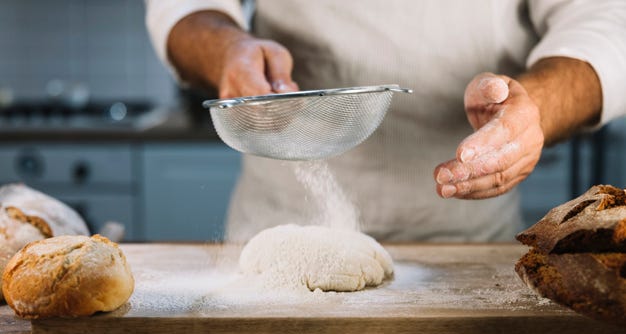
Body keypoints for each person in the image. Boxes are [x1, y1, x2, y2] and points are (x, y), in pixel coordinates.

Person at [146, 0, 626, 242]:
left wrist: (533, 104)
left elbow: (606, 19)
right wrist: (228, 49)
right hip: (281, 232)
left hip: (468, 242)